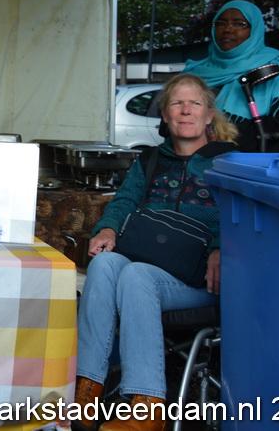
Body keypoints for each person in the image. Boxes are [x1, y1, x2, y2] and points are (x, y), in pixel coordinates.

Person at [74, 74, 237, 431]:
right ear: (165, 114)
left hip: (198, 282)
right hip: (147, 268)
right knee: (104, 265)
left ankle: (146, 406)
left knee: (136, 275)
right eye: (177, 103)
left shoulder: (229, 164)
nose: (186, 110)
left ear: (209, 115)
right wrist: (107, 228)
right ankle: (86, 390)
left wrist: (220, 247)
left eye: (195, 103)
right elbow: (124, 201)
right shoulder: (150, 160)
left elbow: (239, 217)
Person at [183, 0, 279, 152]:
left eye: (239, 24)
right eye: (221, 23)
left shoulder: (273, 68)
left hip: (251, 160)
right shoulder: (195, 72)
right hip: (192, 158)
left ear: (254, 30)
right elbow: (169, 124)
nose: (228, 29)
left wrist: (228, 134)